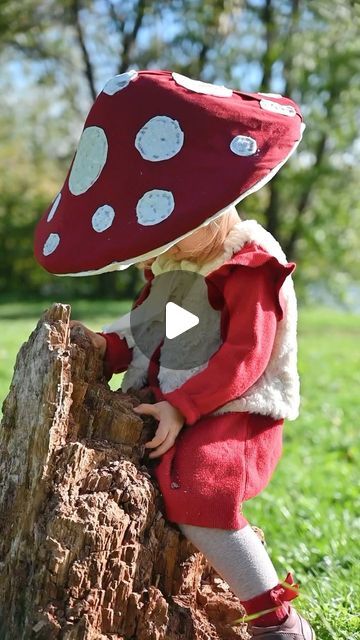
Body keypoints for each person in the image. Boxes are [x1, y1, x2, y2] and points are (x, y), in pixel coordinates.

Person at [35, 69, 315, 638]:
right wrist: (104, 349)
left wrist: (184, 406)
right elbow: (155, 325)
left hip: (236, 410)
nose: (169, 246)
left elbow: (246, 356)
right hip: (179, 400)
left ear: (223, 201)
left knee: (197, 485)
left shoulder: (246, 264)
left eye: (182, 230)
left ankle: (275, 619)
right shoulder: (178, 264)